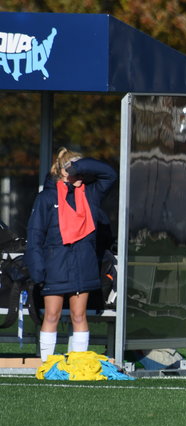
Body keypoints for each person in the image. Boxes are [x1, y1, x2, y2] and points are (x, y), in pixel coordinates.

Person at [25, 147, 117, 361]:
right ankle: (47, 365)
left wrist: (78, 166)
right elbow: (35, 235)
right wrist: (37, 270)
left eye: (82, 170)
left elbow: (109, 174)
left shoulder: (90, 193)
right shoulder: (46, 198)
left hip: (83, 265)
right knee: (52, 316)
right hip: (55, 266)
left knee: (79, 316)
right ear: (63, 171)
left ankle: (77, 365)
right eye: (75, 169)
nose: (82, 175)